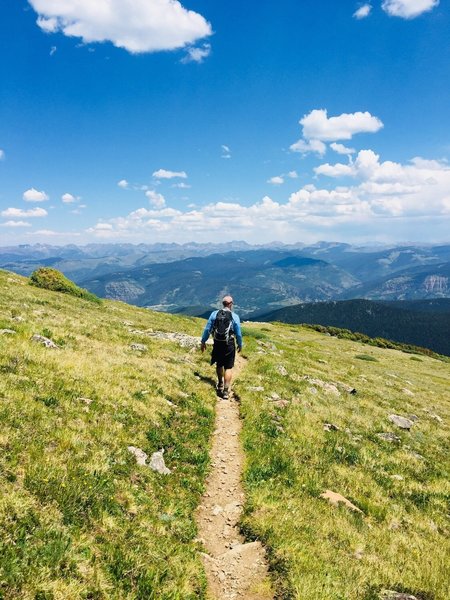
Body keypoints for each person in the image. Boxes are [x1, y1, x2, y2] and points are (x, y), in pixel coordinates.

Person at [201, 295, 243, 399]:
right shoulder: (234, 316)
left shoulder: (214, 314)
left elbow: (207, 329)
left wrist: (203, 341)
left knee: (219, 364)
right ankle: (225, 390)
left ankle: (220, 383)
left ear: (222, 303)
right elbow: (238, 333)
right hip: (229, 343)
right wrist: (240, 344)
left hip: (218, 342)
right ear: (231, 304)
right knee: (228, 367)